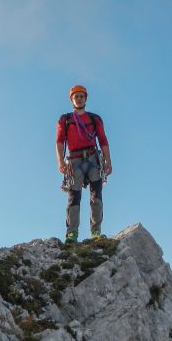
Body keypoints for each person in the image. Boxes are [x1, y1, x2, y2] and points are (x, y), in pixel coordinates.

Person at [55, 85, 112, 244]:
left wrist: (108, 161)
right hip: (74, 161)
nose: (79, 98)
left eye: (81, 96)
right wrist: (60, 161)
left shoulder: (95, 119)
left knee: (96, 196)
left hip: (93, 159)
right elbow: (59, 141)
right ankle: (71, 234)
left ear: (85, 98)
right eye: (76, 96)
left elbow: (103, 140)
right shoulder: (65, 120)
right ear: (71, 99)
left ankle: (96, 231)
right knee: (74, 198)